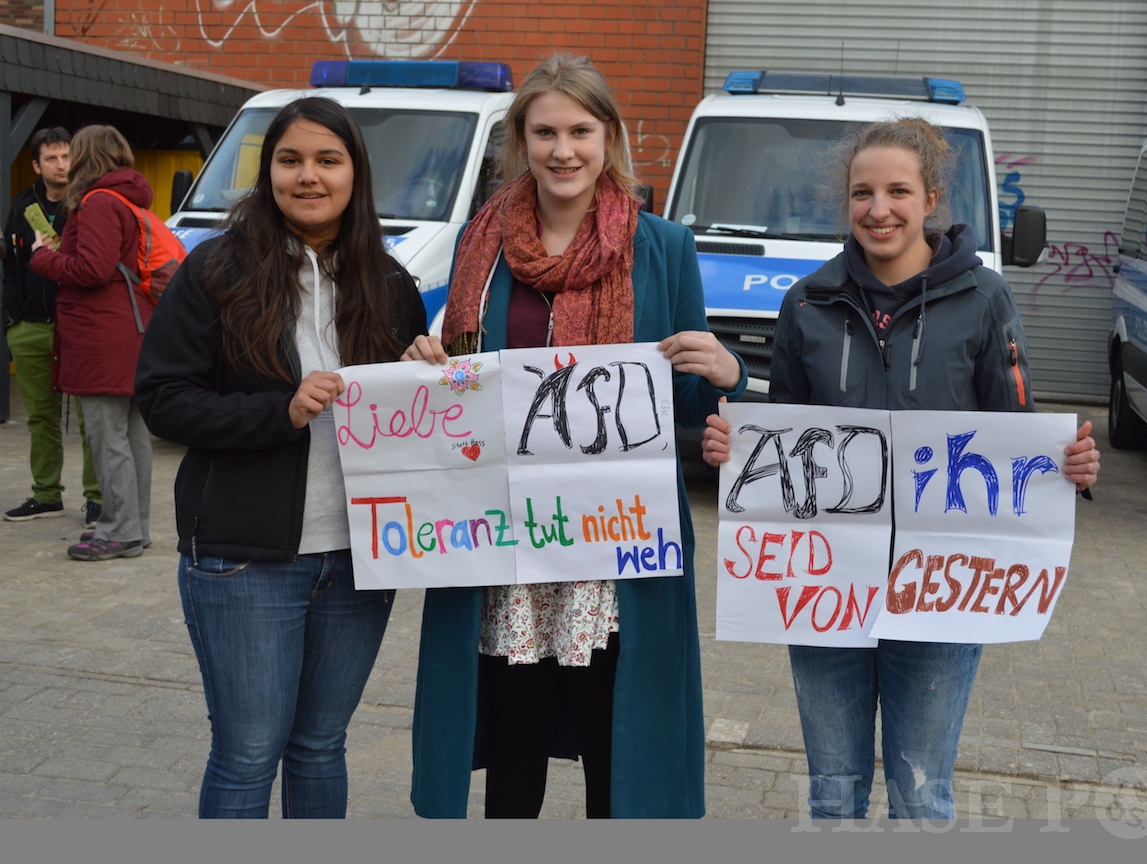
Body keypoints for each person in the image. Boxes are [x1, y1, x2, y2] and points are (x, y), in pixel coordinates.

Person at [701, 118, 1101, 821]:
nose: (878, 208)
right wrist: (737, 453)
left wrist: (1069, 466)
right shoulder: (806, 303)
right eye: (862, 192)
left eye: (896, 191)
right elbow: (788, 432)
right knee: (832, 793)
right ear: (845, 202)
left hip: (941, 591)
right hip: (825, 587)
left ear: (931, 200)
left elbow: (1014, 430)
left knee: (921, 796)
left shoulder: (983, 300)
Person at [404, 53, 746, 819]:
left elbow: (685, 401)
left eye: (581, 131)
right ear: (519, 140)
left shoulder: (662, 247)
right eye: (545, 131)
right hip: (506, 540)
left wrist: (726, 371)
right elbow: (460, 380)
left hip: (615, 542)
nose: (563, 150)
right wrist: (426, 367)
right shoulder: (479, 247)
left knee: (616, 750)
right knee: (514, 745)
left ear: (609, 137)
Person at [133, 97, 427, 818]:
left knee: (322, 745)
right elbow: (162, 397)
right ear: (267, 173)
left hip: (359, 559)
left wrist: (429, 372)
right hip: (244, 560)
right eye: (290, 160)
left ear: (355, 173)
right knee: (247, 754)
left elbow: (416, 427)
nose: (308, 177)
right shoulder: (216, 271)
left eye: (328, 160)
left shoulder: (390, 286)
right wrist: (282, 411)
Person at [28, 125, 154, 561]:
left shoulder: (99, 201)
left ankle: (118, 531)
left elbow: (93, 270)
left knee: (107, 436)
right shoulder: (125, 197)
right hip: (131, 329)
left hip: (102, 334)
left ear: (86, 156)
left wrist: (44, 257)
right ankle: (136, 527)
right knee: (132, 433)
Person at [2, 127, 103, 528]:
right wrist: (12, 320)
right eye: (52, 159)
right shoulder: (20, 206)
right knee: (39, 418)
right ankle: (47, 496)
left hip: (77, 329)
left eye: (66, 157)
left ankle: (97, 500)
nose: (61, 166)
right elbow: (11, 268)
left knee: (90, 418)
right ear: (36, 165)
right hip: (29, 327)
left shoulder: (89, 204)